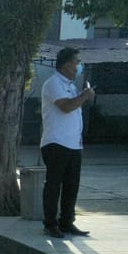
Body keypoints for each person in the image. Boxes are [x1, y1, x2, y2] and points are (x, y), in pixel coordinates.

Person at [40, 47, 96, 238]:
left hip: (73, 144)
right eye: (76, 62)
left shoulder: (71, 85)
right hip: (56, 142)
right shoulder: (53, 83)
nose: (78, 66)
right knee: (54, 184)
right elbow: (65, 106)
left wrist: (83, 95)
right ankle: (50, 223)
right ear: (66, 65)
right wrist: (85, 96)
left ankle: (67, 221)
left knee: (72, 185)